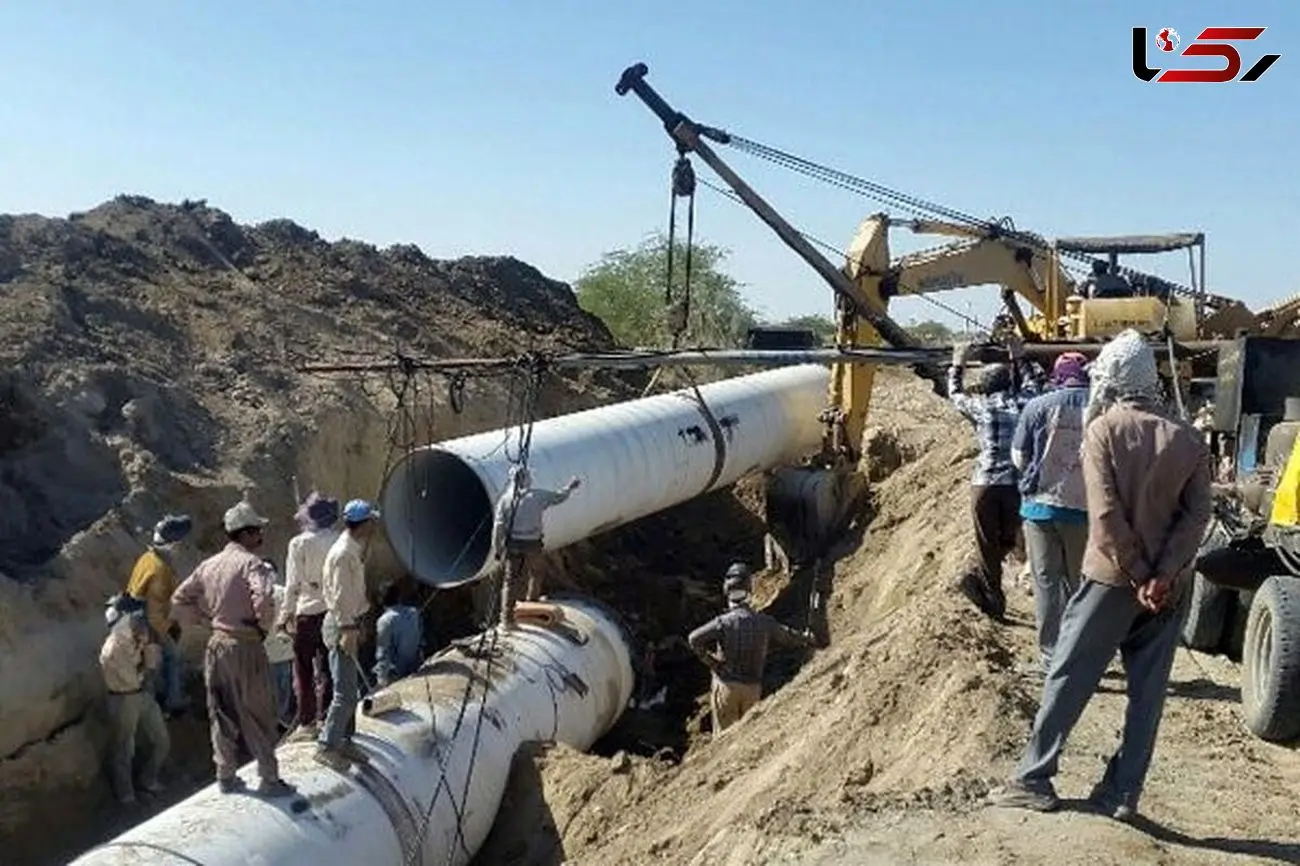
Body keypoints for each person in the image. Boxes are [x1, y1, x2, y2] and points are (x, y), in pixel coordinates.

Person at [989, 329, 1212, 821]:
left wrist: (1138, 573)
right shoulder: (1189, 439)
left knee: (1068, 675)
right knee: (1147, 695)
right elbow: (1198, 517)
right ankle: (1122, 794)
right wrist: (1163, 575)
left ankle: (1034, 779)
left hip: (1112, 579)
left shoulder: (1104, 431)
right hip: (1169, 589)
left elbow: (1106, 516)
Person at [171, 501, 295, 797]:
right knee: (259, 712)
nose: (261, 535)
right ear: (247, 533)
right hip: (245, 645)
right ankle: (269, 778)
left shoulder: (209, 565)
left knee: (221, 711)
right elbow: (262, 598)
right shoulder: (253, 564)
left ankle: (225, 775)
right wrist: (262, 627)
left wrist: (206, 620)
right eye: (258, 530)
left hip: (217, 645)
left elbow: (179, 599)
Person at [949, 339, 1043, 620]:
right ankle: (990, 579)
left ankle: (993, 598)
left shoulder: (980, 406)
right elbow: (1034, 385)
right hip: (1017, 485)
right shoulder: (1024, 403)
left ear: (985, 386)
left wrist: (958, 363)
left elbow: (955, 394)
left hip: (985, 484)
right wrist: (1020, 357)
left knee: (986, 542)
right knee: (1010, 537)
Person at [1011, 352, 1091, 672]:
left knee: (1046, 583)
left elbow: (1019, 457)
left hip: (1040, 508)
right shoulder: (1102, 408)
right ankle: (1078, 653)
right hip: (1084, 510)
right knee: (1079, 584)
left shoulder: (1037, 406)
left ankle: (1050, 656)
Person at [686, 563, 816, 733]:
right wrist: (807, 637)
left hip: (727, 686)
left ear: (727, 591)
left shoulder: (723, 622)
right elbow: (789, 638)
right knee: (746, 736)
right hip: (752, 690)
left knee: (724, 741)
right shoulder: (764, 622)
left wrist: (714, 664)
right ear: (749, 590)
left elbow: (694, 639)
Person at [317, 498, 381, 768]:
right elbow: (341, 596)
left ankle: (345, 740)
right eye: (371, 521)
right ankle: (327, 745)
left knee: (351, 688)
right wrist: (348, 629)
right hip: (342, 624)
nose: (374, 526)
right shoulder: (344, 554)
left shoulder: (351, 549)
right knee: (345, 692)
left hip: (350, 621)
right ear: (363, 523)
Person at [279, 493, 341, 736]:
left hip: (306, 613)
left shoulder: (298, 543)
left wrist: (285, 615)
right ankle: (327, 717)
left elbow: (292, 583)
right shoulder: (339, 540)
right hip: (332, 612)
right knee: (329, 668)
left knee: (303, 670)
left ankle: (307, 723)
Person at [491, 466, 580, 626]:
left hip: (513, 545)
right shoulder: (537, 496)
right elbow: (559, 497)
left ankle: (506, 619)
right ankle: (531, 603)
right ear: (527, 479)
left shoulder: (505, 500)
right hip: (532, 544)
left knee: (510, 581)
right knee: (536, 573)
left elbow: (498, 527)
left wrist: (498, 549)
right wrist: (570, 487)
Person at [125, 514, 193, 716]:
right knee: (169, 657)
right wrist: (167, 630)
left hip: (135, 616)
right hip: (148, 622)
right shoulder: (160, 570)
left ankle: (153, 703)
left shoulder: (147, 558)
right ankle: (170, 702)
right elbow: (155, 611)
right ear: (173, 544)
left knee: (149, 663)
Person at [99, 609, 169, 804]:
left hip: (143, 695)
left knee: (161, 740)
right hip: (124, 698)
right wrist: (148, 665)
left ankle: (148, 778)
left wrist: (149, 654)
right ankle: (126, 795)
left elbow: (151, 668)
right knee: (124, 749)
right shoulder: (114, 649)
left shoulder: (137, 637)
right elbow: (134, 680)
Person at [262, 558, 296, 732]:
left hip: (282, 651)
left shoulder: (283, 593)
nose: (266, 575)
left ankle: (279, 720)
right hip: (263, 653)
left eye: (270, 571)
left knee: (283, 687)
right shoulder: (250, 596)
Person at [373, 581, 424, 688]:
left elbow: (383, 652)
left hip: (398, 673)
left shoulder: (385, 620)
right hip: (415, 666)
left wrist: (382, 680)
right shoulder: (414, 612)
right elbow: (420, 639)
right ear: (399, 597)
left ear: (380, 600)